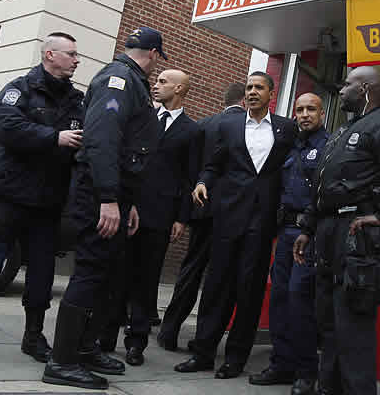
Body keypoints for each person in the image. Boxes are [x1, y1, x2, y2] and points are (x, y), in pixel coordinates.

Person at [42, 27, 165, 390]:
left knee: (106, 275)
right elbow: (102, 140)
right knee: (91, 272)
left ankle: (84, 348)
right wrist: (109, 198)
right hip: (99, 194)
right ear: (155, 55)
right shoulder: (120, 79)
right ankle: (62, 361)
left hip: (116, 195)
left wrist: (128, 203)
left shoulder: (130, 81)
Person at [294, 66, 380, 395]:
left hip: (359, 237)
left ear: (366, 90)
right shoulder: (342, 132)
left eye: (348, 85)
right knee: (328, 324)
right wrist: (308, 228)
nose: (341, 90)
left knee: (353, 326)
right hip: (328, 233)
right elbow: (324, 185)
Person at [176, 71, 296, 379]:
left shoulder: (286, 129)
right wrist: (203, 181)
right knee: (217, 286)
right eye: (249, 88)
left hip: (263, 220)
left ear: (272, 93)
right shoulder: (228, 126)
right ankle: (203, 352)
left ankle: (235, 359)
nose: (253, 92)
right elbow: (214, 164)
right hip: (228, 217)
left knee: (250, 290)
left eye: (259, 87)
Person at [0, 32, 84, 364]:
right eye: (71, 54)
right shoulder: (19, 89)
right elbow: (8, 128)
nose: (77, 60)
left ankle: (33, 337)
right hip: (9, 197)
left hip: (47, 203)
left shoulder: (76, 100)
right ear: (50, 55)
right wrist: (54, 137)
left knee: (41, 273)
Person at [103, 69, 199, 366]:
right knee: (117, 275)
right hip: (128, 209)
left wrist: (182, 218)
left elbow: (189, 178)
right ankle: (105, 337)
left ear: (180, 88)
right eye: (155, 81)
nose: (155, 86)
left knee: (146, 281)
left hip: (160, 216)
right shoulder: (142, 118)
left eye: (162, 82)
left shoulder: (192, 131)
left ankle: (136, 342)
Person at [249, 93, 328, 395]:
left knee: (300, 301)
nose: (304, 114)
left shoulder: (327, 147)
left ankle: (306, 371)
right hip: (285, 234)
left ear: (322, 113)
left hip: (309, 236)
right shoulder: (292, 147)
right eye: (300, 110)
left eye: (311, 109)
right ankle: (281, 364)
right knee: (280, 299)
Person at [157, 82, 246, 351]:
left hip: (202, 206)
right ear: (244, 101)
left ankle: (169, 331)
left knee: (190, 270)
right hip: (231, 212)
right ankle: (204, 339)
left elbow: (194, 169)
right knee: (219, 278)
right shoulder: (248, 127)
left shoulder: (204, 124)